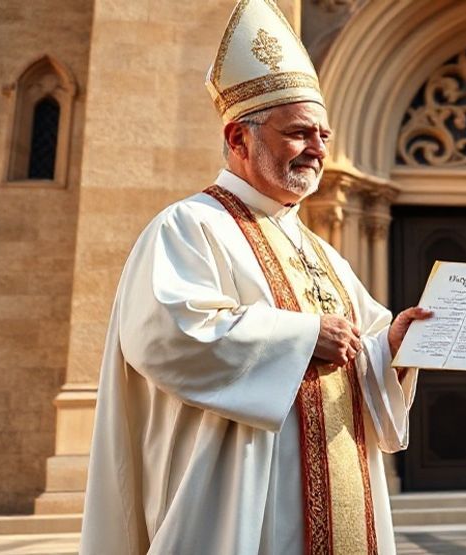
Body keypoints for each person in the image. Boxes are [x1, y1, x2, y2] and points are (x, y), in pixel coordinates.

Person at [79, 2, 432, 553]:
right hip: (240, 498)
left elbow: (360, 355)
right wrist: (303, 335)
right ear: (239, 139)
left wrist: (393, 347)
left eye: (323, 134)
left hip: (344, 491)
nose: (317, 149)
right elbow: (166, 336)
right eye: (298, 133)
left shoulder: (321, 250)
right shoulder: (189, 225)